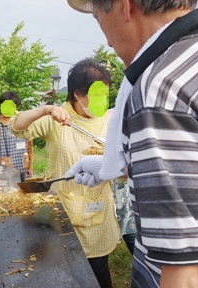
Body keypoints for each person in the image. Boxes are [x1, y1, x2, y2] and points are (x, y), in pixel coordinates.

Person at [66, 1, 198, 287]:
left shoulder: (162, 87)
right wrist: (115, 167)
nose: (108, 41)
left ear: (125, 7)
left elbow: (184, 274)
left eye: (99, 19)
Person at [9, 59, 120, 288]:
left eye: (105, 95)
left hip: (99, 213)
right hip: (64, 214)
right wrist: (45, 109)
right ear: (78, 94)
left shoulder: (110, 120)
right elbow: (16, 127)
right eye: (97, 95)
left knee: (98, 273)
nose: (103, 101)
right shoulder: (57, 118)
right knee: (63, 273)